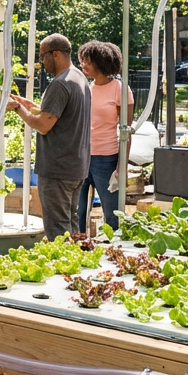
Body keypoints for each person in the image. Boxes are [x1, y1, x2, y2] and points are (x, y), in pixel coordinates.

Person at [7, 34, 91, 240]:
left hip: (57, 170)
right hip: (75, 167)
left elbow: (44, 126)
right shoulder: (79, 78)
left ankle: (63, 269)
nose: (41, 62)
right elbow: (61, 116)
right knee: (70, 226)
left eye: (43, 56)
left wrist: (18, 109)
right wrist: (33, 107)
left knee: (58, 232)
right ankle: (75, 269)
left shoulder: (60, 84)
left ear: (56, 54)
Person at [76, 40, 134, 233]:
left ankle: (113, 251)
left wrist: (121, 168)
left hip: (106, 159)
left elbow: (126, 131)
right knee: (78, 212)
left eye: (87, 61)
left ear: (101, 62)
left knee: (112, 215)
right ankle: (78, 248)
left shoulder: (120, 89)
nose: (83, 65)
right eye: (82, 60)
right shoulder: (86, 88)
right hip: (82, 157)